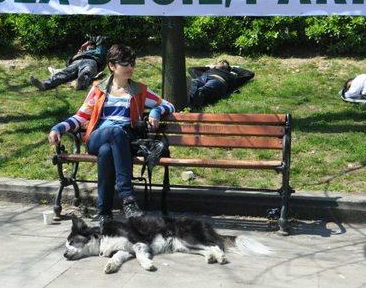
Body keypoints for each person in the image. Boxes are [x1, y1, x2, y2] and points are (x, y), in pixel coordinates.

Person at [48, 44, 175, 228]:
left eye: (132, 63)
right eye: (125, 63)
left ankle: (104, 213)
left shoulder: (139, 90)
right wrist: (59, 127)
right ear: (112, 66)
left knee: (107, 152)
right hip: (97, 138)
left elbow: (168, 105)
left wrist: (155, 112)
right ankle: (128, 198)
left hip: (121, 143)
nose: (130, 67)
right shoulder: (98, 89)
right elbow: (82, 115)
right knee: (114, 132)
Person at [30, 36, 107, 91]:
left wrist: (87, 43)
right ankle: (44, 85)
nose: (89, 47)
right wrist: (75, 56)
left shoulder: (99, 51)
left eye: (91, 45)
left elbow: (101, 38)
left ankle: (80, 84)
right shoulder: (80, 53)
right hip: (77, 62)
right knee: (64, 73)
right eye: (88, 46)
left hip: (91, 61)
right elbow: (68, 64)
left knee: (86, 72)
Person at [188, 60, 255, 108]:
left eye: (224, 63)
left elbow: (250, 74)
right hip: (203, 78)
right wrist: (209, 67)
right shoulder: (209, 71)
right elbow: (191, 69)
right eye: (220, 62)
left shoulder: (231, 76)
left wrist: (233, 68)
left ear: (227, 68)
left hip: (219, 80)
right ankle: (187, 101)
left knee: (203, 91)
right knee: (192, 85)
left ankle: (189, 105)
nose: (222, 63)